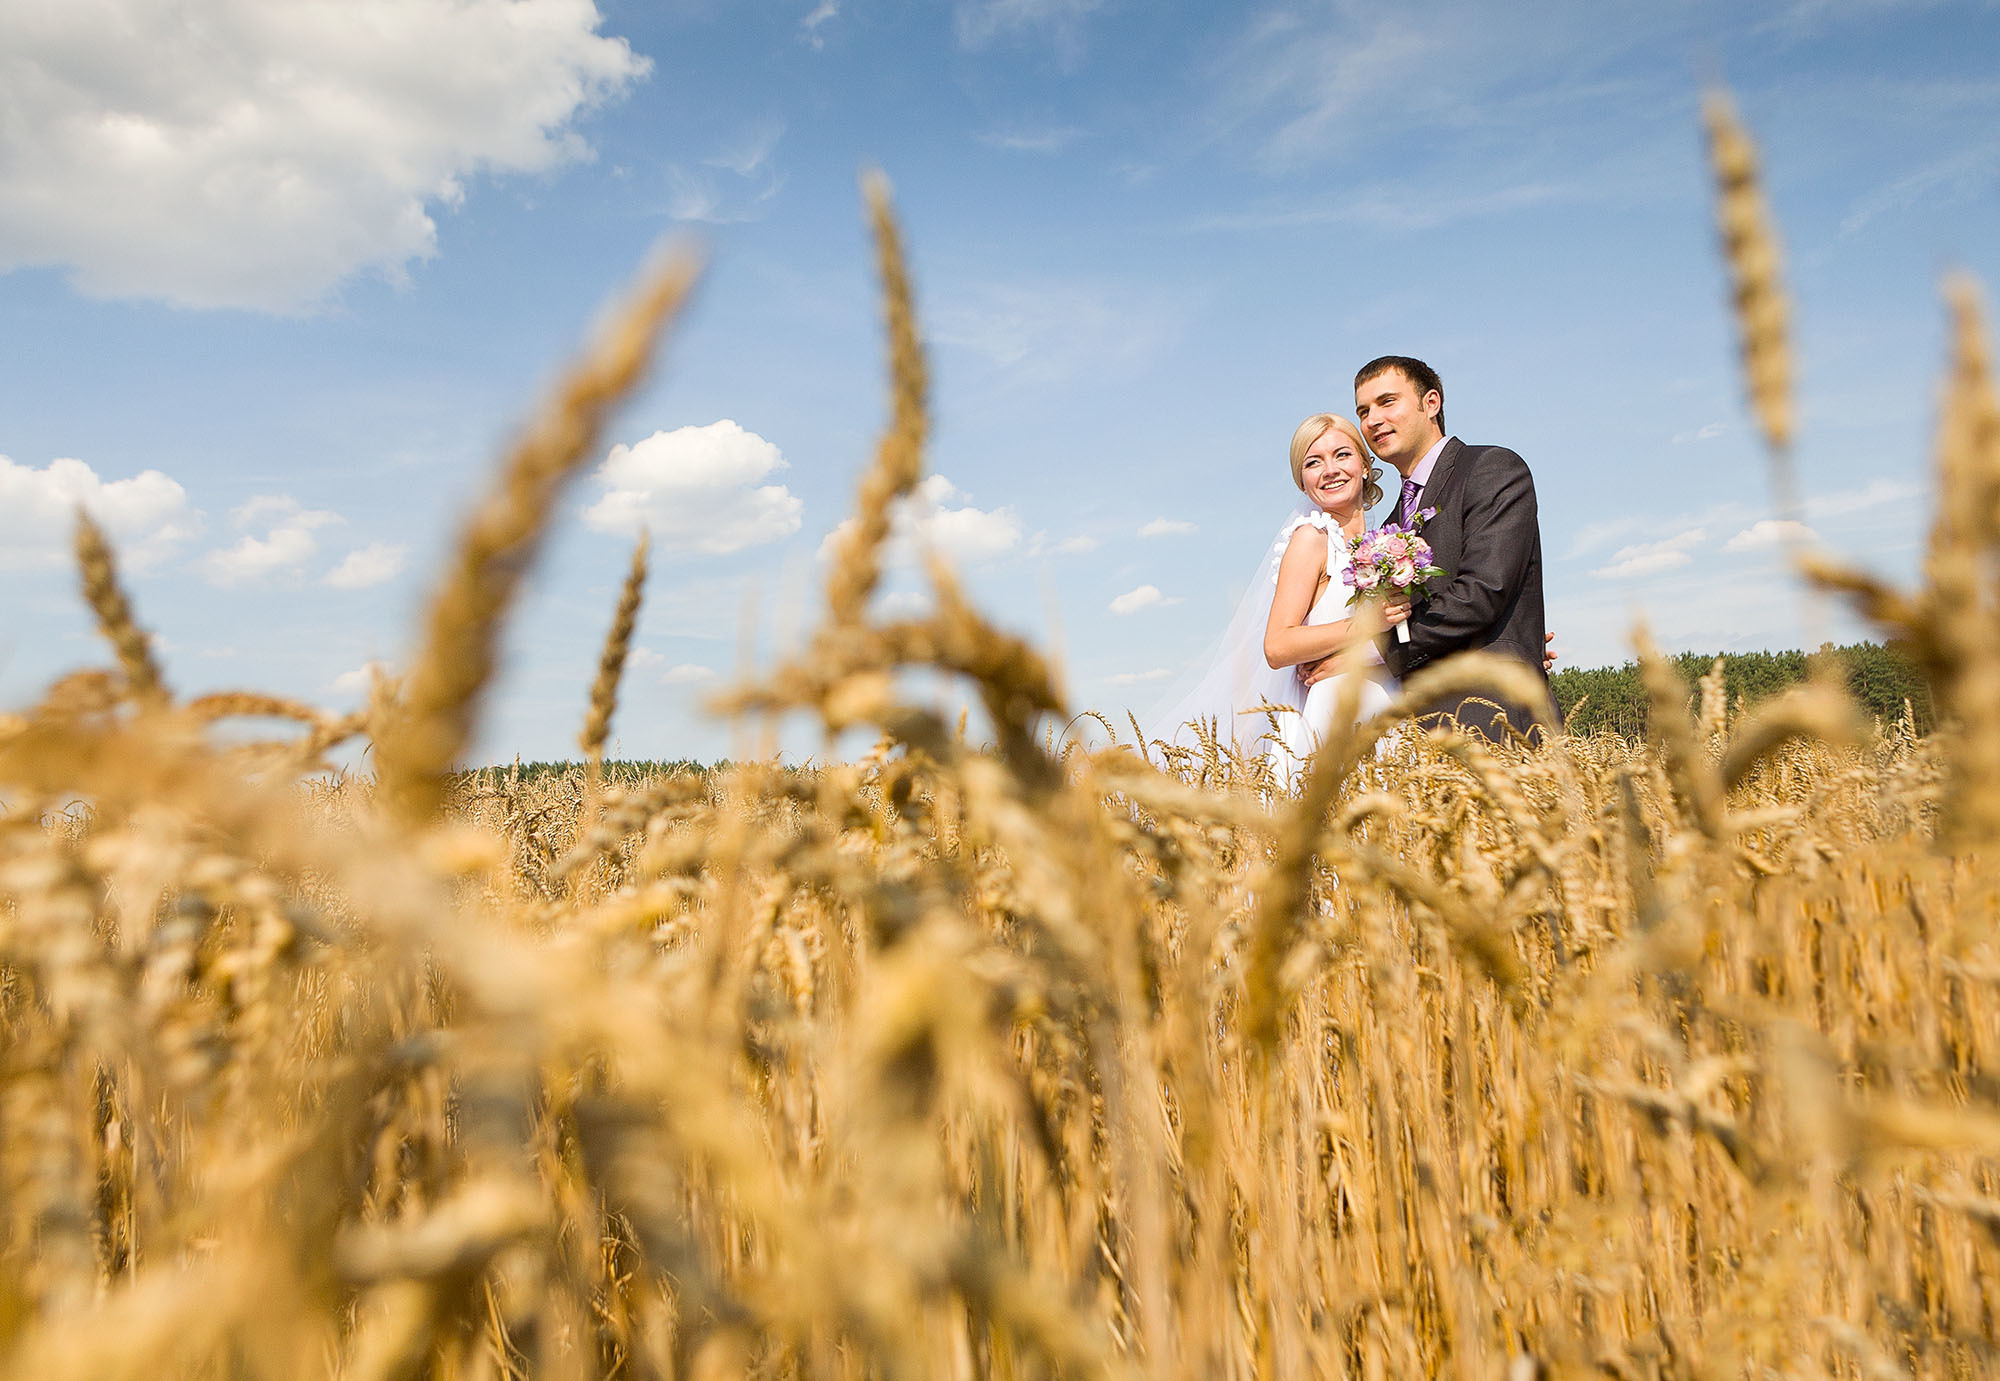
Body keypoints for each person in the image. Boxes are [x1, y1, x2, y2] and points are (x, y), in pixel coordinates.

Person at [1310, 355, 1551, 740]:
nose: (1372, 420)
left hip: (1490, 714)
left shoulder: (1491, 469)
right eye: (1363, 411)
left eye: (1387, 402)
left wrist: (1368, 654)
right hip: (1412, 730)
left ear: (1431, 403)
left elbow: (1484, 590)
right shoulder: (1388, 527)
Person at [1149, 413, 1405, 771]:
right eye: (1313, 462)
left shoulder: (1389, 544)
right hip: (1334, 713)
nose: (1330, 470)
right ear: (1302, 482)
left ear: (1365, 465)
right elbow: (1278, 645)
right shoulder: (1312, 539)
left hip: (1388, 702)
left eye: (1342, 455)